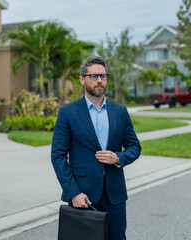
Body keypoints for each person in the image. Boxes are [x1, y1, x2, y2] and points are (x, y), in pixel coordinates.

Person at [51, 56, 141, 240]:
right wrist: (73, 193)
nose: (99, 80)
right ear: (82, 79)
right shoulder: (67, 113)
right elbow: (58, 156)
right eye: (93, 76)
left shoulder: (120, 112)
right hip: (83, 196)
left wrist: (118, 158)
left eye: (103, 76)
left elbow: (134, 146)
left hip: (115, 196)